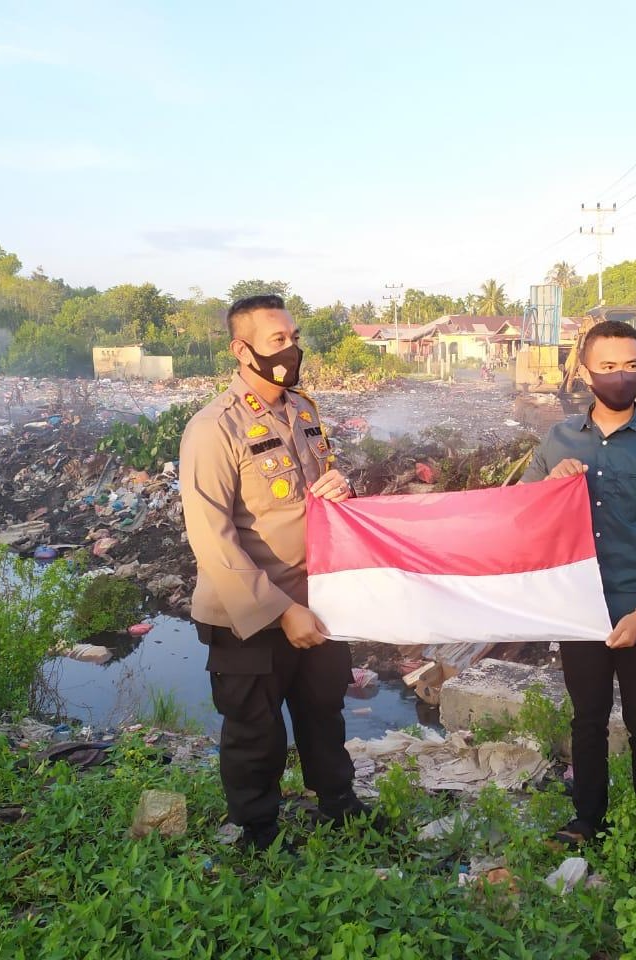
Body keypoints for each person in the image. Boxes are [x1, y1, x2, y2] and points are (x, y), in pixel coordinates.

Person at [179, 294, 368, 851]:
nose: (292, 349)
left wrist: (342, 490)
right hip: (250, 612)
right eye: (277, 341)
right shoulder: (214, 429)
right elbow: (212, 540)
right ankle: (257, 832)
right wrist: (283, 612)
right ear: (242, 351)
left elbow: (316, 494)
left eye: (293, 337)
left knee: (323, 714)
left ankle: (340, 809)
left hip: (318, 596)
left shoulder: (304, 411)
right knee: (254, 731)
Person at [521, 319, 636, 845]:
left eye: (631, 365)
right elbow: (523, 515)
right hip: (580, 608)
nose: (621, 377)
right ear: (586, 371)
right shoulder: (559, 438)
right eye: (608, 367)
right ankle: (588, 821)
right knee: (587, 718)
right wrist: (551, 485)